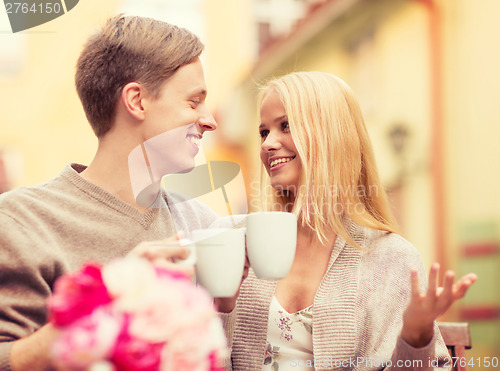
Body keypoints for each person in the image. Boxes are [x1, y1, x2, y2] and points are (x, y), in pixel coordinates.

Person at [216, 71, 477, 370]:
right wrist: (222, 307)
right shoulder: (229, 240)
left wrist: (415, 337)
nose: (267, 145)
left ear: (332, 136)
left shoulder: (392, 258)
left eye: (286, 126)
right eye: (264, 132)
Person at [0, 15, 219, 371]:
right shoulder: (20, 222)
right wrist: (109, 297)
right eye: (194, 103)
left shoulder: (205, 225)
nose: (210, 120)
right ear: (136, 101)